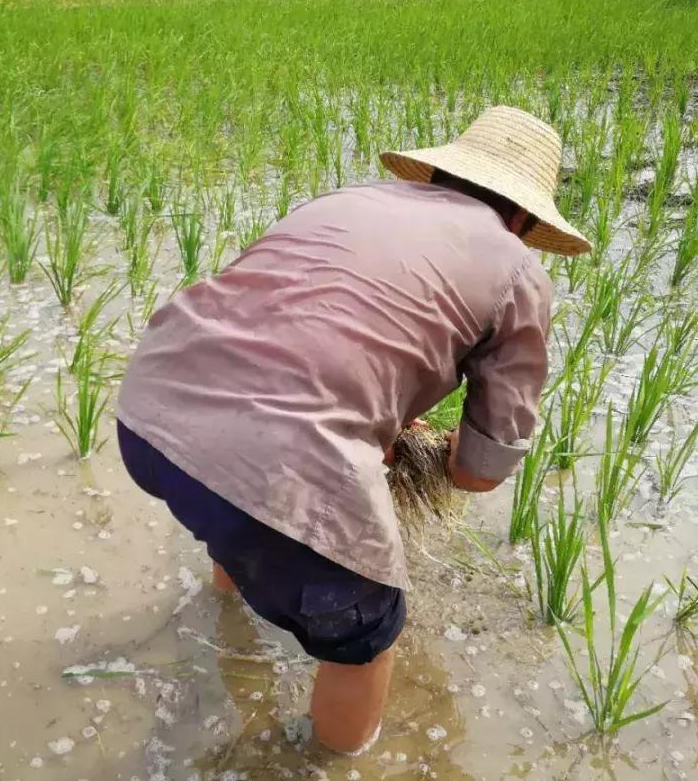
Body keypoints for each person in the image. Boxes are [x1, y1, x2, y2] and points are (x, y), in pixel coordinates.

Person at [116, 105, 591, 754]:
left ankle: (222, 611)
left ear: (438, 174)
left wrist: (380, 419)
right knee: (365, 642)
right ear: (527, 218)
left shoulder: (350, 199)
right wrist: (437, 453)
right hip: (273, 461)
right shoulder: (516, 271)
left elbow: (286, 337)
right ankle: (334, 762)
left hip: (150, 412)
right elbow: (480, 471)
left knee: (240, 499)